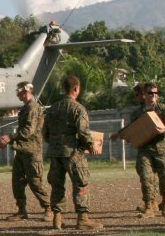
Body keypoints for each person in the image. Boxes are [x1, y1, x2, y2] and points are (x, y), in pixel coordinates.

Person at [43, 75, 102, 230]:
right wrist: (91, 146)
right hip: (72, 153)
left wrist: (56, 143)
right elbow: (83, 132)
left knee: (57, 185)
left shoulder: (52, 109)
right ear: (76, 89)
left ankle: (57, 218)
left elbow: (45, 133)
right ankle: (83, 218)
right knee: (81, 183)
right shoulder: (78, 108)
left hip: (55, 153)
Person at [114, 82, 165, 218]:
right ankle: (149, 206)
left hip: (162, 148)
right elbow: (132, 129)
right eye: (150, 93)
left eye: (155, 93)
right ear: (145, 95)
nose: (153, 95)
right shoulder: (137, 113)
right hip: (145, 149)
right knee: (145, 177)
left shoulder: (163, 109)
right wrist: (127, 136)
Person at [0, 81, 51, 222]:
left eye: (19, 91)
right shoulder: (25, 108)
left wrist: (10, 137)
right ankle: (22, 211)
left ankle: (49, 209)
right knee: (17, 182)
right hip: (21, 151)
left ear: (26, 91)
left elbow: (28, 131)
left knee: (35, 183)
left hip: (32, 152)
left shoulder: (33, 108)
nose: (17, 93)